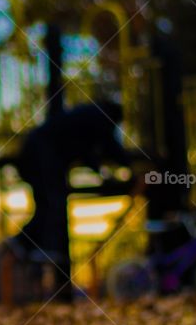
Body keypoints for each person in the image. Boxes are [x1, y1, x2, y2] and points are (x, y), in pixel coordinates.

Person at [9, 100, 132, 263]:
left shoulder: (88, 116)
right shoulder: (98, 118)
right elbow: (103, 146)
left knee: (48, 202)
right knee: (53, 201)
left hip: (35, 154)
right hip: (40, 156)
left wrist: (103, 170)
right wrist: (126, 164)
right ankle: (38, 245)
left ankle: (28, 244)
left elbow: (90, 149)